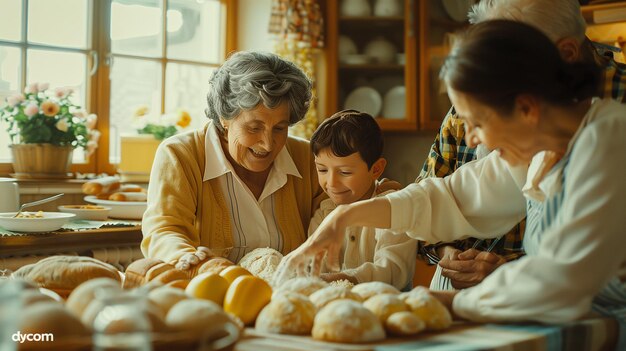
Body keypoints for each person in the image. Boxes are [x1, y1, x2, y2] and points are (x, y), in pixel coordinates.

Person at [276, 20, 626, 348]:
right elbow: (448, 197)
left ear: (526, 107)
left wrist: (454, 302)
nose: (472, 140)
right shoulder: (543, 149)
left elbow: (562, 279)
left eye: (476, 122)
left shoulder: (608, 141)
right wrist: (344, 219)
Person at [417, 0, 626, 290]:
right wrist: (445, 251)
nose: (489, 66)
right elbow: (444, 198)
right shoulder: (477, 100)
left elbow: (573, 272)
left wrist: (508, 275)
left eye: (507, 53)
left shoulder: (604, 128)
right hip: (484, 296)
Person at [141, 51, 326, 272]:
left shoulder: (307, 158)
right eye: (254, 127)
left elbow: (335, 223)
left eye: (280, 128)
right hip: (212, 294)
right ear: (224, 118)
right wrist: (188, 258)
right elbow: (165, 229)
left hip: (288, 295)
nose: (268, 144)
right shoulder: (180, 154)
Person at [308, 110, 416, 290]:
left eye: (345, 172)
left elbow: (393, 271)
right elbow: (313, 266)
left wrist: (342, 278)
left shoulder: (394, 208)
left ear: (376, 169)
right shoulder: (323, 213)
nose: (331, 183)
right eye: (322, 170)